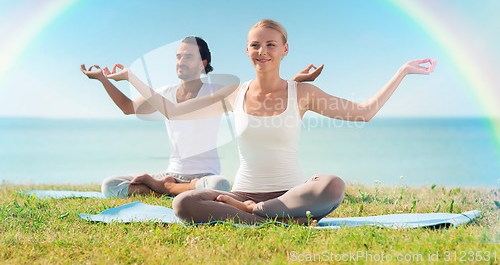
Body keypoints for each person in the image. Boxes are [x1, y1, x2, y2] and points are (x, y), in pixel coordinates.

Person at [105, 20, 436, 223]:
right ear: (247, 50)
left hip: (290, 193)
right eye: (255, 44)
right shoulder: (233, 93)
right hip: (244, 191)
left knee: (332, 184)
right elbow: (174, 110)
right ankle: (267, 216)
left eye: (270, 44)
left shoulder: (302, 92)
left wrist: (402, 72)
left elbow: (364, 112)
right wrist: (131, 77)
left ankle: (257, 214)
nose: (262, 50)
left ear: (284, 50)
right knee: (183, 203)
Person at [81, 36, 323, 198]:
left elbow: (259, 94)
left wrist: (294, 82)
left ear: (203, 63)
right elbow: (127, 107)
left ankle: (163, 189)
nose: (180, 61)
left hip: (204, 178)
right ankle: (167, 187)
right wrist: (102, 79)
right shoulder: (165, 92)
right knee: (110, 185)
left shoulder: (215, 92)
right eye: (178, 56)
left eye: (188, 57)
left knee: (220, 186)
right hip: (173, 173)